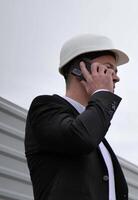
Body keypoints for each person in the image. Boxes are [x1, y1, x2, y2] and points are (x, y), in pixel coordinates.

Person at [25, 34, 129, 200]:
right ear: (83, 70)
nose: (116, 77)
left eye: (115, 71)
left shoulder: (96, 131)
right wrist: (102, 93)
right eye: (108, 68)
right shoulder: (44, 108)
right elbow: (80, 138)